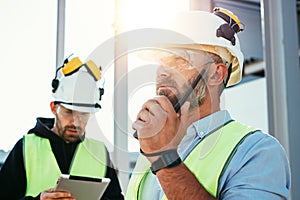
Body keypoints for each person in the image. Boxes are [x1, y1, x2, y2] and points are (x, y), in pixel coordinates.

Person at [126, 8, 291, 199]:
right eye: (162, 61)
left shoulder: (257, 151)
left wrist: (164, 159)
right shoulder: (150, 151)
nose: (163, 71)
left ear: (216, 74)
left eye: (179, 61)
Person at [0, 56, 124, 199]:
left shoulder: (100, 153)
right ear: (54, 108)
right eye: (69, 112)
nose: (76, 122)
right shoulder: (26, 147)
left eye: (83, 114)